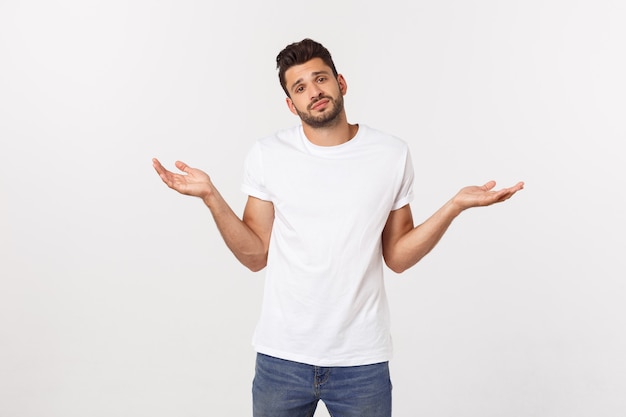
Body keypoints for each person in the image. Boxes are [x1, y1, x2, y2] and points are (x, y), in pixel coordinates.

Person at [152, 38, 524, 417]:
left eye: (320, 79)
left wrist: (454, 205)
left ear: (340, 82)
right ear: (290, 103)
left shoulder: (391, 154)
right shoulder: (268, 155)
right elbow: (255, 256)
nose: (314, 92)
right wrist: (211, 196)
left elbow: (396, 255)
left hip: (362, 360)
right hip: (282, 357)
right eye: (300, 88)